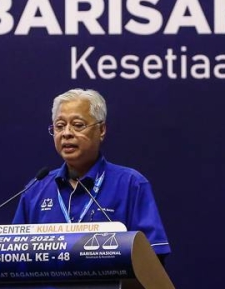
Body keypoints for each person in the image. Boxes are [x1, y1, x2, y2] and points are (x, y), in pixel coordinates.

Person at [12, 88, 171, 259]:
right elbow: (14, 256)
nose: (66, 133)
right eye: (59, 126)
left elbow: (153, 257)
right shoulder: (36, 190)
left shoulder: (131, 184)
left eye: (78, 125)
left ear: (101, 130)